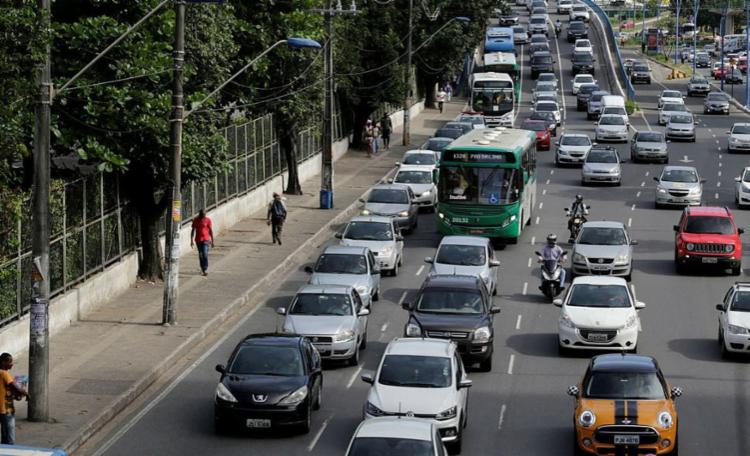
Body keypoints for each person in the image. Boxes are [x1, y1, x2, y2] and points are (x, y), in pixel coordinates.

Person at [0, 353, 28, 445]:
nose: (12, 364)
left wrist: (17, 395)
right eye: (10, 362)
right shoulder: (4, 373)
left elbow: (8, 390)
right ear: (4, 362)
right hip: (6, 408)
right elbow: (15, 387)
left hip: (4, 406)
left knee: (5, 434)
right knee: (10, 436)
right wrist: (26, 393)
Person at [190, 209, 214, 276]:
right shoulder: (196, 220)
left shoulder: (208, 220)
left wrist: (212, 241)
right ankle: (203, 269)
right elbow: (192, 231)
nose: (203, 217)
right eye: (202, 215)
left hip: (206, 239)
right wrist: (191, 240)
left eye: (204, 215)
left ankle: (205, 267)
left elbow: (210, 230)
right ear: (199, 214)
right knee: (200, 254)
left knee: (205, 254)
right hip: (198, 240)